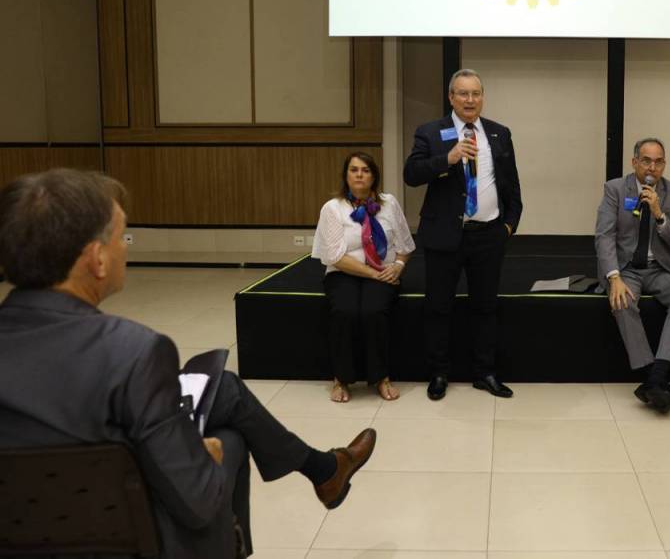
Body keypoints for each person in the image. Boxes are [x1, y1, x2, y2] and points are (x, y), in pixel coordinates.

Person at [0, 169, 376, 559]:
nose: (125, 249)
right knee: (230, 439)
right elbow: (198, 501)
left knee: (224, 389)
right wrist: (205, 456)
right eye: (122, 237)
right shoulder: (133, 352)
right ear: (97, 260)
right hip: (126, 535)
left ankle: (325, 471)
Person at [403, 68, 523, 400]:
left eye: (475, 93)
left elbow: (511, 185)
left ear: (482, 97)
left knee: (485, 307)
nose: (470, 100)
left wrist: (508, 226)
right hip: (444, 234)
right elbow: (411, 174)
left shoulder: (499, 133)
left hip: (489, 235)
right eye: (463, 93)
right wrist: (448, 158)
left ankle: (485, 373)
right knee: (438, 307)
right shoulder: (430, 131)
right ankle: (439, 373)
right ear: (451, 97)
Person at [595, 137, 670, 413]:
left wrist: (660, 215)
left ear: (664, 164)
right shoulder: (615, 189)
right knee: (622, 302)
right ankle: (655, 377)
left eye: (658, 162)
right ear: (634, 162)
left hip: (661, 267)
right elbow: (604, 236)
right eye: (646, 161)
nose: (652, 167)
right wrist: (614, 277)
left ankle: (655, 378)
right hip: (626, 268)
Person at [312, 152, 415, 403]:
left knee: (373, 311)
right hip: (344, 273)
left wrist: (398, 265)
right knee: (344, 311)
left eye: (366, 170)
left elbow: (405, 245)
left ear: (374, 176)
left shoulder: (389, 203)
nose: (359, 175)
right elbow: (335, 257)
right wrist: (375, 274)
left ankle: (381, 378)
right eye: (354, 170)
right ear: (346, 176)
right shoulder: (333, 208)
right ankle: (341, 379)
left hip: (384, 272)